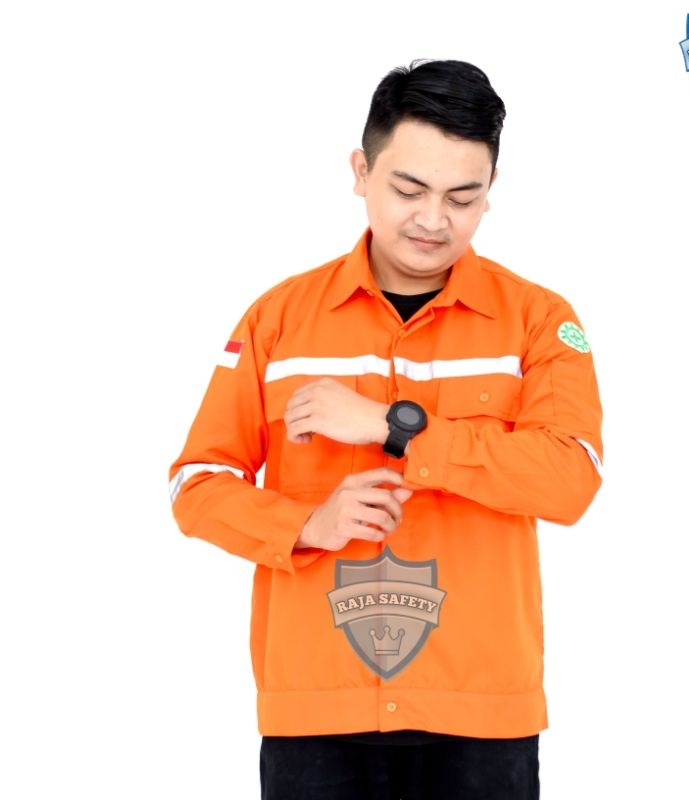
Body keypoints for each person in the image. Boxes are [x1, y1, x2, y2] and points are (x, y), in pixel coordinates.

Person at [169, 58, 603, 800]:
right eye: (409, 190)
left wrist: (391, 428)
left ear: (490, 192)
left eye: (463, 197)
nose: (434, 220)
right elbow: (196, 483)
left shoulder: (539, 319)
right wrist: (307, 524)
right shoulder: (277, 319)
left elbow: (569, 479)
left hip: (482, 714)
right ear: (361, 171)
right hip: (316, 710)